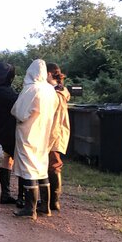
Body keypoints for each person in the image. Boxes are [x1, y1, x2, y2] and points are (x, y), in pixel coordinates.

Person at [11, 59, 58, 220]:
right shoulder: (50, 90)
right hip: (45, 131)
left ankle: (30, 208)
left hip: (29, 132)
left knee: (28, 167)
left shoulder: (31, 89)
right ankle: (45, 205)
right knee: (41, 166)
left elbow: (19, 111)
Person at [0, 62, 21, 205]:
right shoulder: (6, 92)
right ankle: (22, 196)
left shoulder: (1, 90)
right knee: (20, 162)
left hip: (4, 130)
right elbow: (19, 102)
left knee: (8, 159)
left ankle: (6, 194)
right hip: (10, 130)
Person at [46, 62, 70, 212]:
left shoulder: (56, 93)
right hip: (56, 131)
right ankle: (51, 200)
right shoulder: (60, 91)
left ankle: (54, 201)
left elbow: (55, 118)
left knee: (54, 164)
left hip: (54, 132)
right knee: (53, 164)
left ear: (49, 74)